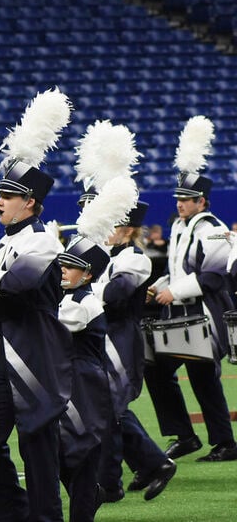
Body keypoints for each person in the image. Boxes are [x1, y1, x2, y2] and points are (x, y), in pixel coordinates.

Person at [0, 161, 73, 521]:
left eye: (8, 196)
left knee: (37, 448)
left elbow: (17, 285)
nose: (0, 202)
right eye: (0, 194)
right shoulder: (5, 242)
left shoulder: (44, 241)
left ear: (30, 202)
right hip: (0, 351)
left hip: (35, 350)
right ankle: (14, 514)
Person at [144, 172, 237, 461]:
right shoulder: (182, 227)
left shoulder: (211, 228)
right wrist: (159, 286)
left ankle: (193, 437)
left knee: (179, 373)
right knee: (196, 377)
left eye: (186, 199)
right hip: (183, 315)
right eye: (179, 198)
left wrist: (175, 291)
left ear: (202, 201)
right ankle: (216, 441)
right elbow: (177, 271)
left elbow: (214, 276)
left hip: (205, 315)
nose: (181, 203)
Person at [93, 203, 176, 502]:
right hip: (104, 335)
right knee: (109, 409)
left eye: (112, 226)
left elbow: (115, 296)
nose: (105, 232)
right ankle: (152, 464)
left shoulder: (136, 259)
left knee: (110, 409)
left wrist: (82, 289)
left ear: (127, 230)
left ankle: (113, 482)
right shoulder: (108, 256)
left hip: (121, 338)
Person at [56, 236, 112, 522]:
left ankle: (83, 511)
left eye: (71, 266)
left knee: (80, 454)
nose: (62, 270)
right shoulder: (65, 297)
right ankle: (92, 494)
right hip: (65, 381)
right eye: (62, 264)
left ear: (88, 274)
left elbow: (48, 321)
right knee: (57, 453)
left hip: (84, 386)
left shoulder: (85, 303)